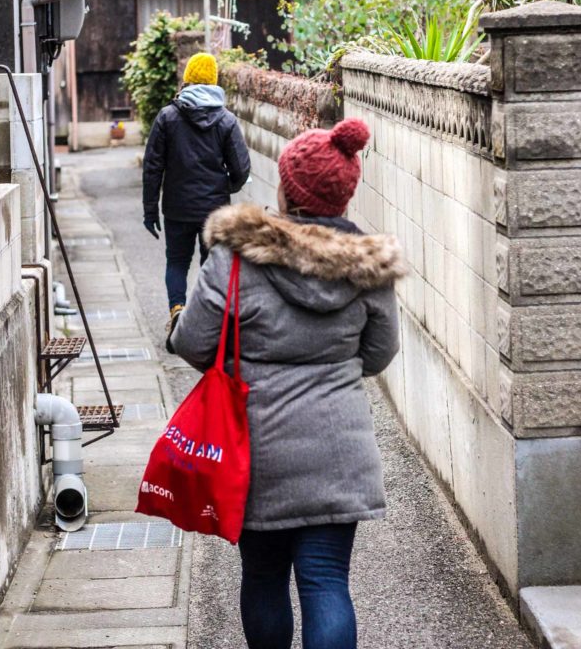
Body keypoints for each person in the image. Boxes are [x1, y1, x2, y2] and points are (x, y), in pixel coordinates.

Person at [172, 117, 406, 649]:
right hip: (341, 451)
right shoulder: (368, 266)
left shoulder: (236, 257)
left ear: (286, 188)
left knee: (263, 577)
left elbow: (191, 342)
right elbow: (381, 351)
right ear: (345, 195)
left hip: (257, 452)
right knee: (327, 582)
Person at [142, 52, 250, 352]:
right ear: (214, 80)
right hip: (214, 211)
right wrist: (223, 186)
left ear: (187, 79)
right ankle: (207, 325)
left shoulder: (168, 117)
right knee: (212, 265)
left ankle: (177, 310)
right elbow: (241, 169)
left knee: (177, 262)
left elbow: (152, 167)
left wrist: (150, 209)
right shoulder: (226, 120)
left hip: (177, 207)